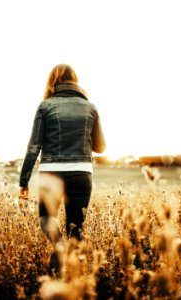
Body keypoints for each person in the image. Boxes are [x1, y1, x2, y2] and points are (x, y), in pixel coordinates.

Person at [19, 64, 106, 247]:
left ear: (52, 81)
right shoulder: (90, 108)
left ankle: (60, 249)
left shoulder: (45, 106)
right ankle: (72, 270)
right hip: (82, 173)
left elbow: (34, 146)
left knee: (46, 219)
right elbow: (100, 147)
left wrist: (23, 180)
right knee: (76, 229)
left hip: (51, 172)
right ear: (75, 81)